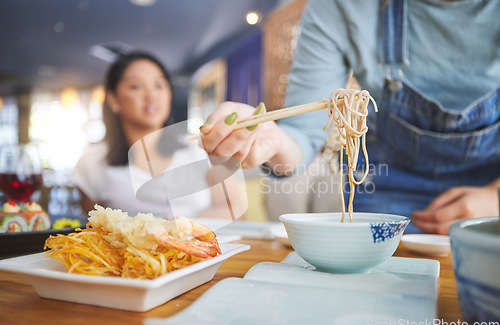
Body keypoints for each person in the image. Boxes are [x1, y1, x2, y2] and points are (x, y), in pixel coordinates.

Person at [198, 0, 500, 234]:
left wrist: (495, 197)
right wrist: (270, 140)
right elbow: (301, 138)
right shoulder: (339, 6)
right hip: (384, 186)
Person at [73, 51, 241, 219]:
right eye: (136, 86)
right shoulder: (92, 162)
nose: (151, 96)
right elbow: (93, 231)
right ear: (113, 100)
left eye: (159, 86)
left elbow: (236, 210)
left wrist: (178, 228)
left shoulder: (200, 148)